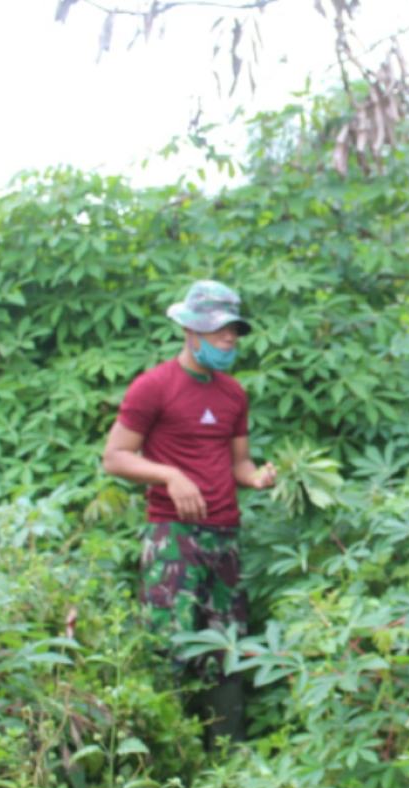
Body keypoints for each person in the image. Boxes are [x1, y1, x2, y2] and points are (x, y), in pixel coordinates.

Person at [102, 279, 277, 747]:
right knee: (168, 648)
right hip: (173, 537)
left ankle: (227, 759)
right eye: (219, 330)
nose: (229, 339)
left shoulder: (233, 394)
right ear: (190, 331)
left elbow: (240, 463)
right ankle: (164, 756)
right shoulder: (153, 387)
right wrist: (170, 476)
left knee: (226, 649)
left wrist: (258, 478)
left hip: (225, 538)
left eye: (234, 331)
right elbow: (115, 457)